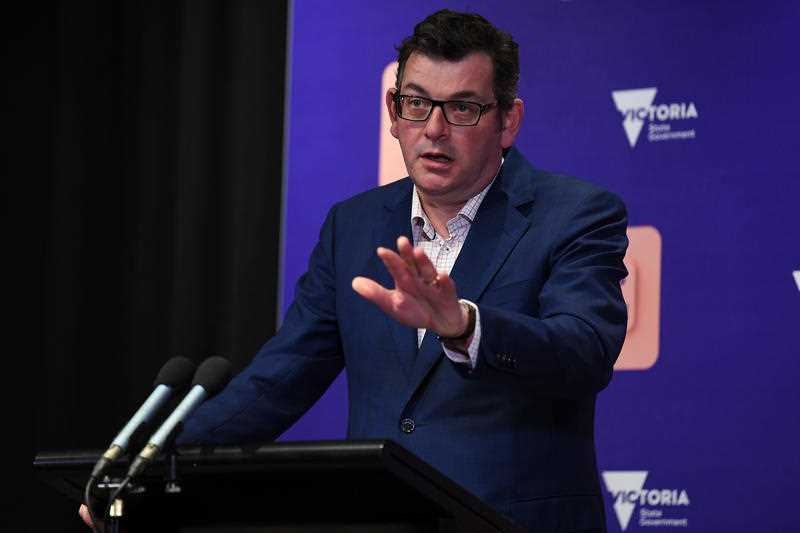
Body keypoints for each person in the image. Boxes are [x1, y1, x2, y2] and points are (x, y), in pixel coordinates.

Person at [83, 9, 628, 533]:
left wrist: (465, 326)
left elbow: (583, 352)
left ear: (508, 120)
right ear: (394, 113)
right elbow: (280, 379)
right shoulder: (354, 225)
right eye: (417, 103)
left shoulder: (574, 215)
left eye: (463, 108)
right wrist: (144, 470)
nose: (434, 129)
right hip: (383, 519)